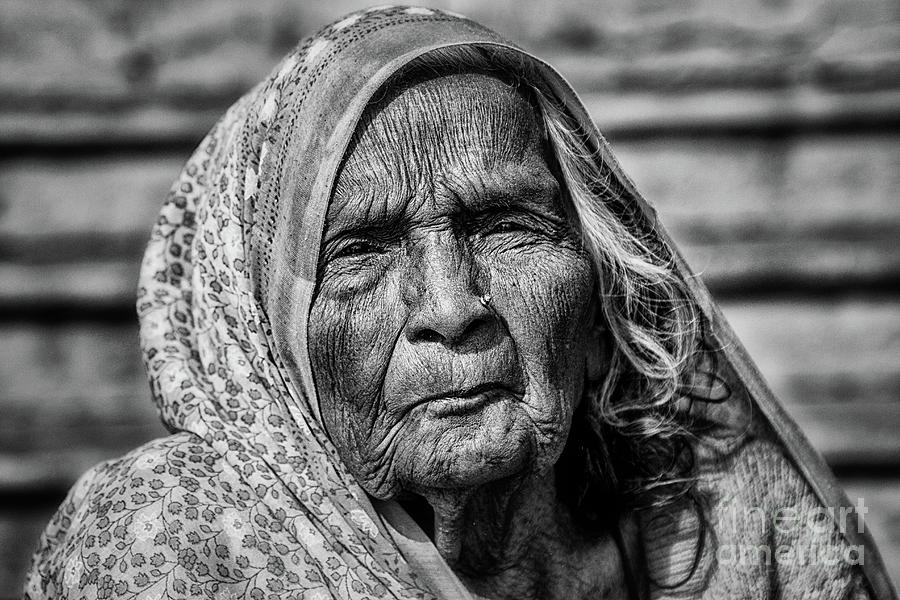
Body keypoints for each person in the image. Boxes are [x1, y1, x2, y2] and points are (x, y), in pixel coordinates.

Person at [24, 6, 895, 600]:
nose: (451, 304)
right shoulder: (180, 545)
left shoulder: (739, 540)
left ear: (603, 302)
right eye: (360, 251)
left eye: (506, 227)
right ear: (268, 353)